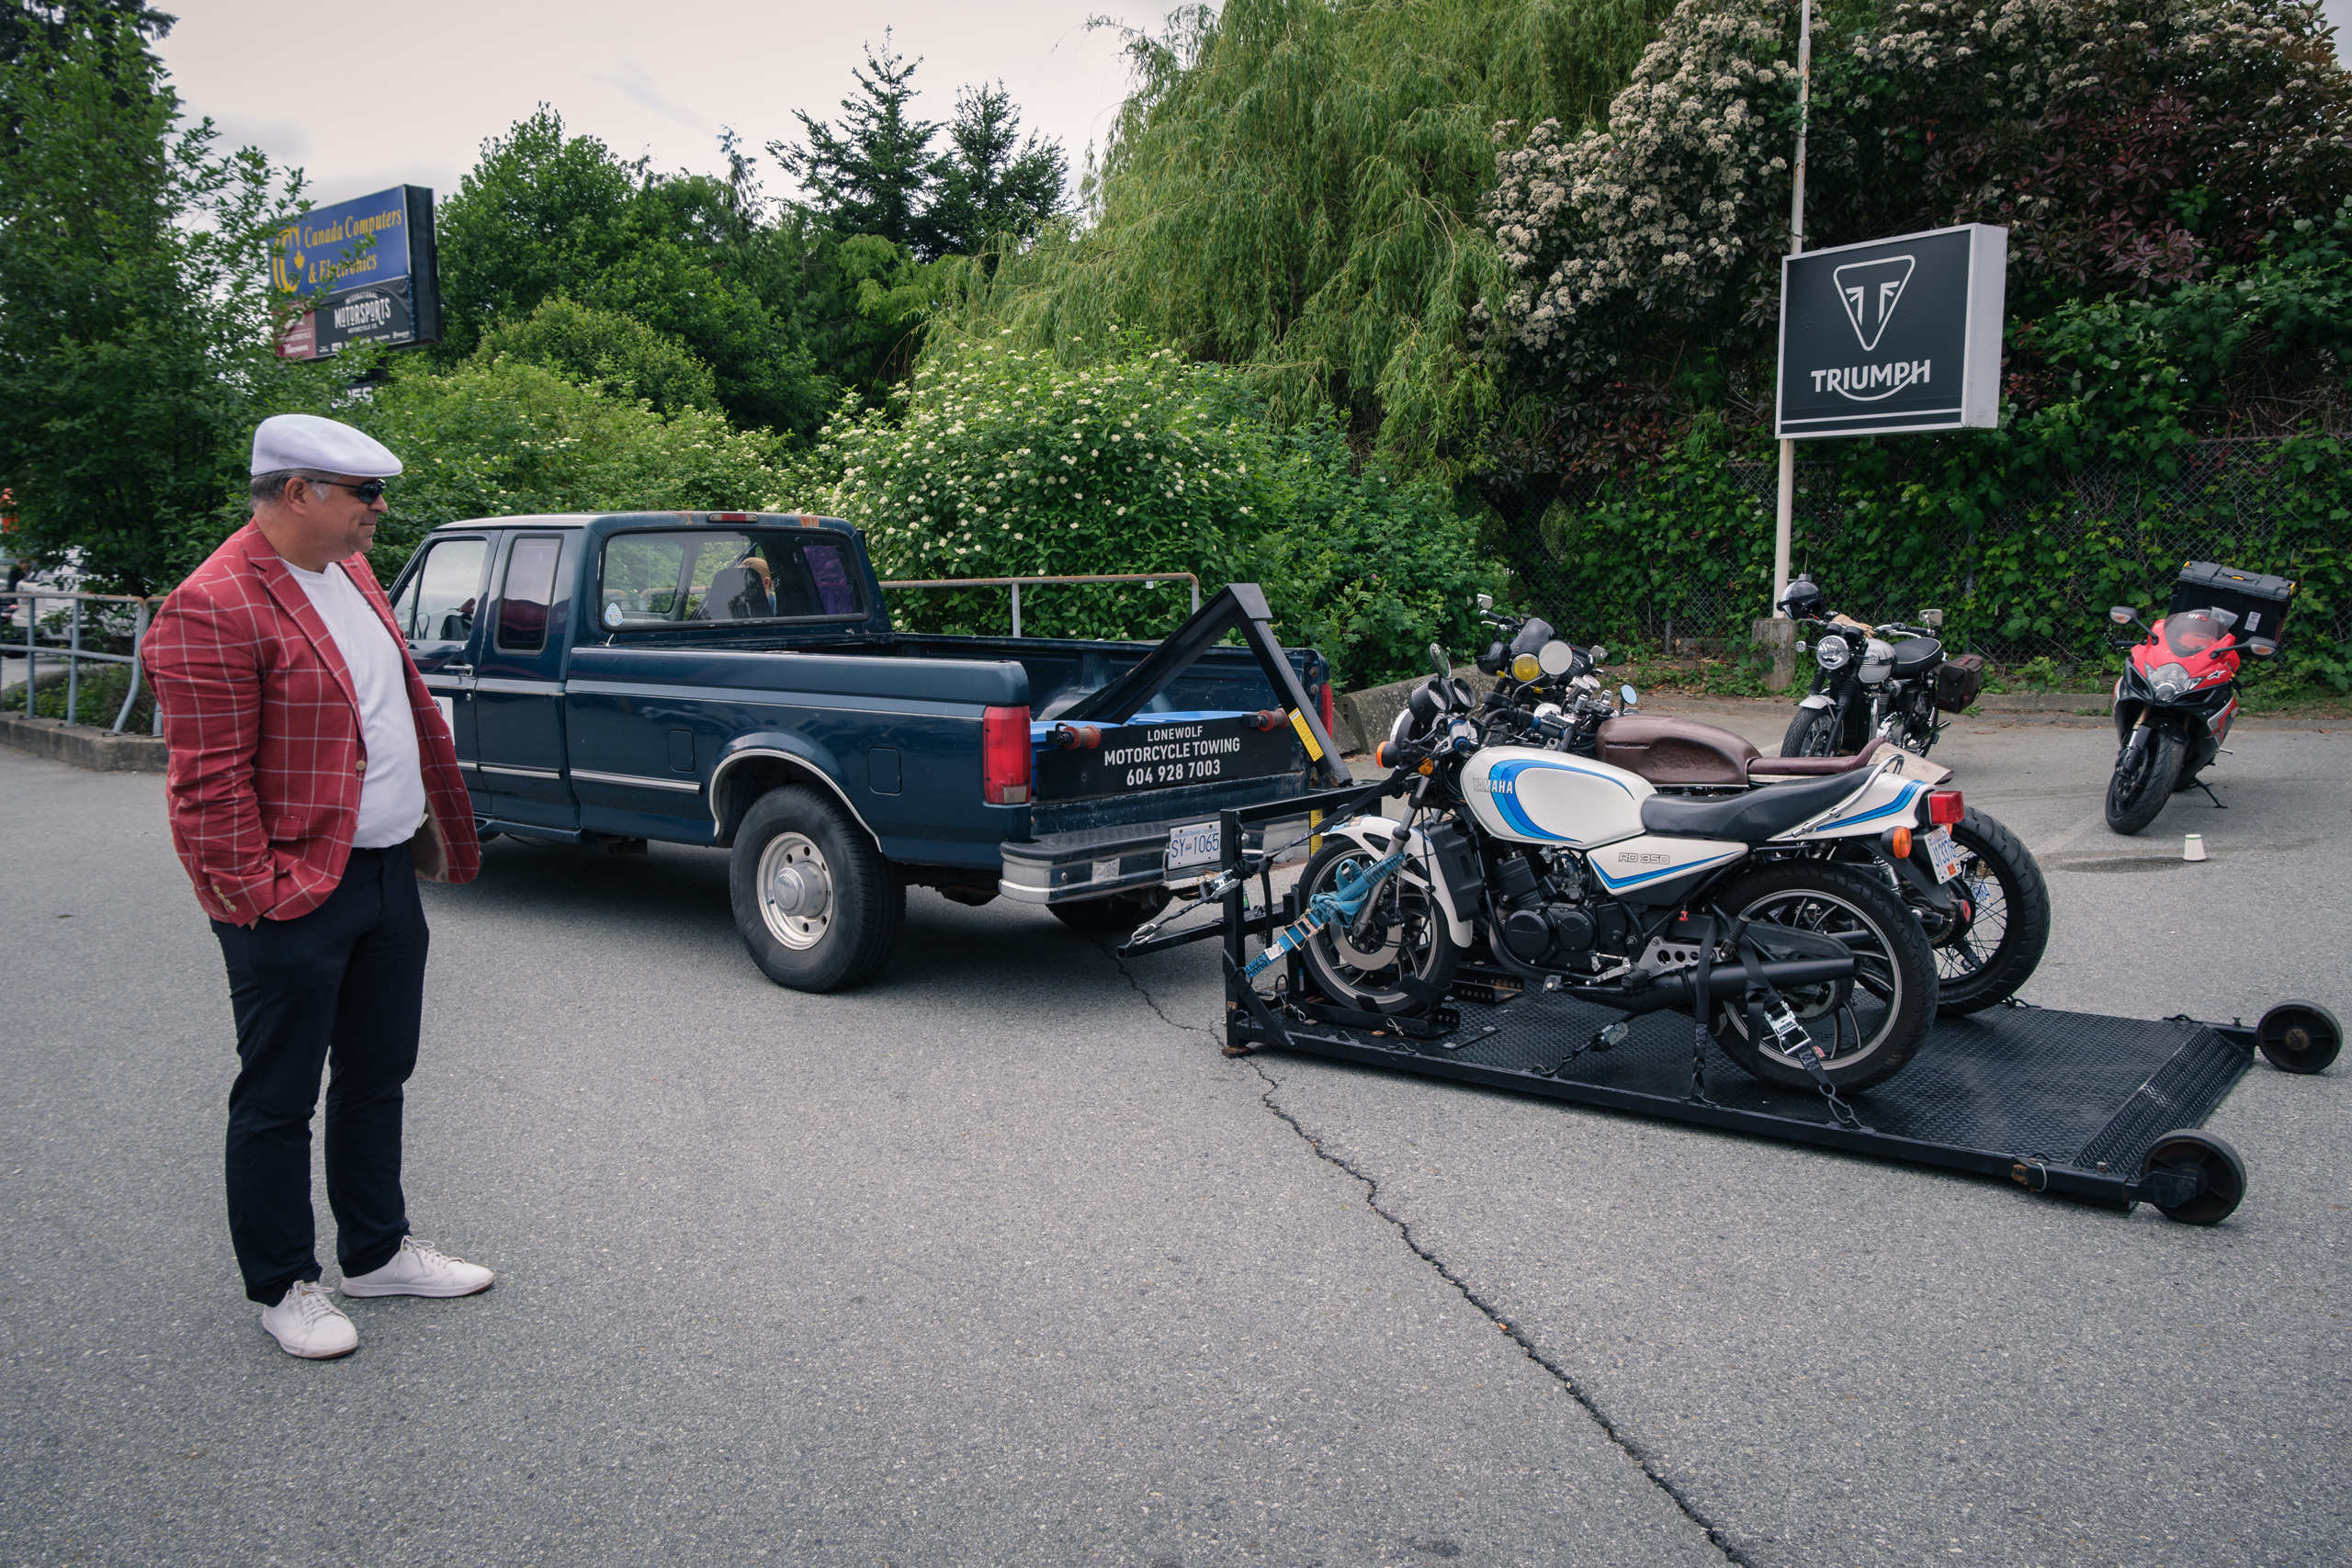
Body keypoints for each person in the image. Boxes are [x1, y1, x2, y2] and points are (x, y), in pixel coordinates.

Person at [142, 413, 491, 1359]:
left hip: (385, 871)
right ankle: (283, 1284)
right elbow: (205, 788)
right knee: (279, 1095)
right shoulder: (213, 603)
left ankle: (376, 1254)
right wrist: (256, 897)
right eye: (362, 495)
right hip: (291, 893)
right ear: (296, 494)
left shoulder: (350, 569)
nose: (379, 511)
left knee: (379, 1074)